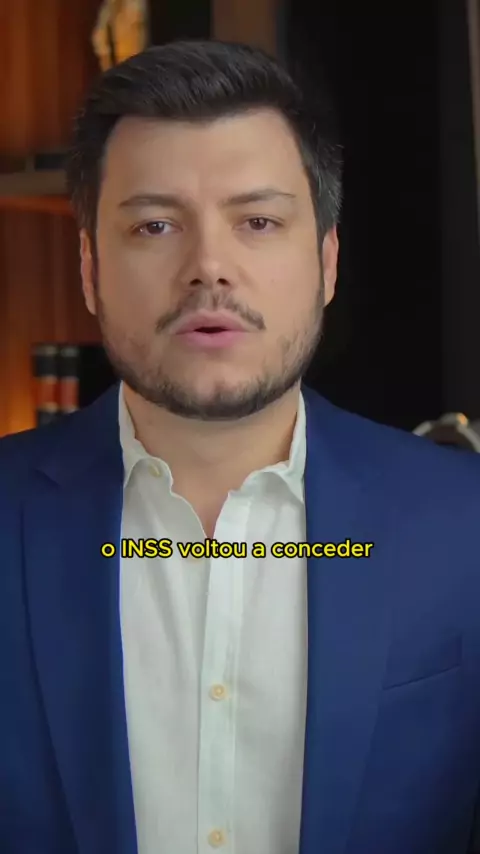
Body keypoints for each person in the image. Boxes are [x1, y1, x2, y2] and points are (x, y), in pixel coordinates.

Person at [1, 38, 480, 854]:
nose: (208, 267)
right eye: (155, 225)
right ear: (89, 269)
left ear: (327, 261)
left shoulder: (464, 525)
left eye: (257, 222)